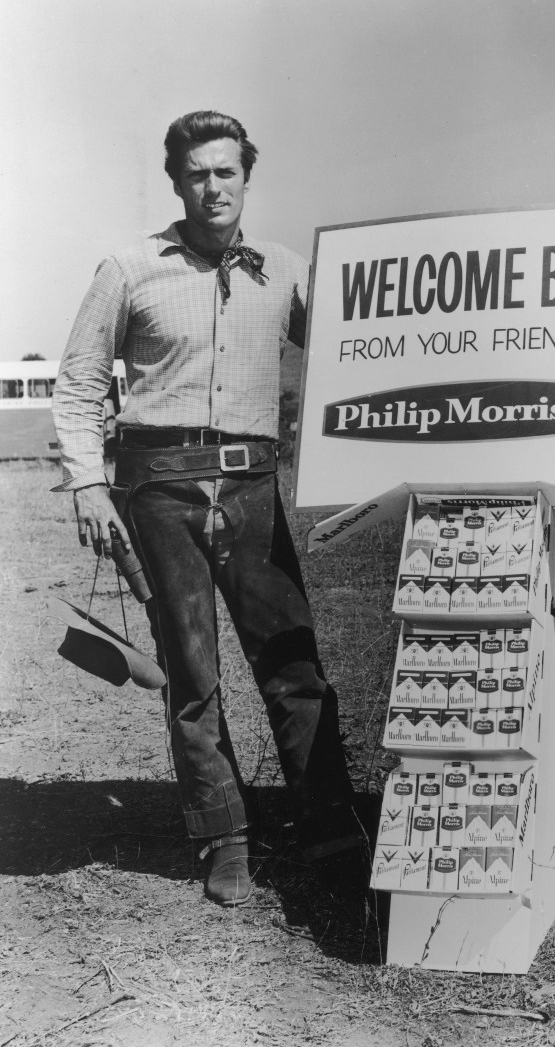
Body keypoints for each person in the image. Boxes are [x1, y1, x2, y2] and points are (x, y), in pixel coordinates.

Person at [52, 110, 364, 907]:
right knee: (191, 675)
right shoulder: (129, 270)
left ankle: (331, 828)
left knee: (293, 664)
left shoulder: (287, 271)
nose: (213, 186)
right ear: (177, 182)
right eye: (198, 173)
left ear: (247, 177)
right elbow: (82, 379)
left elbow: (356, 355)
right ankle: (224, 838)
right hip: (159, 490)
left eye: (226, 171)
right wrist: (89, 481)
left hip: (254, 488)